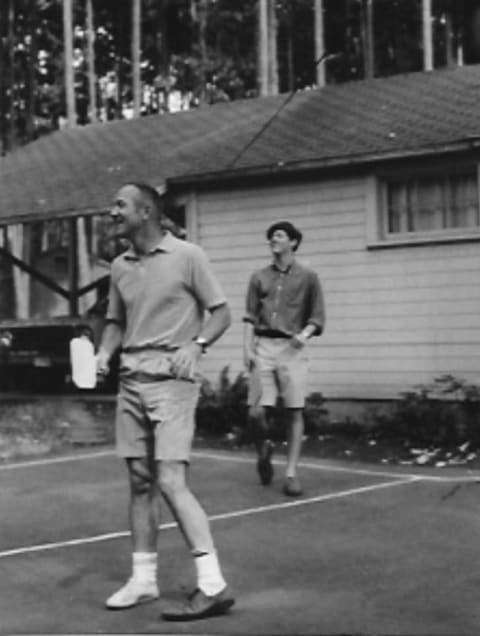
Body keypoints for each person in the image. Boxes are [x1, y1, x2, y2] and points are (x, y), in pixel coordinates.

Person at [96, 182, 234, 621]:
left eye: (120, 204)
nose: (112, 211)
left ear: (148, 210)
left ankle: (213, 584)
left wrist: (196, 345)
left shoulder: (188, 256)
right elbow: (116, 321)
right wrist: (103, 353)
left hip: (172, 383)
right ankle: (143, 580)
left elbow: (221, 313)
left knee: (171, 480)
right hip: (131, 381)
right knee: (139, 481)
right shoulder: (120, 266)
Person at [243, 221, 325, 497]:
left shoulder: (308, 277)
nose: (273, 240)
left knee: (294, 411)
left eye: (278, 236)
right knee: (255, 411)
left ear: (293, 242)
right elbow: (249, 317)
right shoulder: (258, 277)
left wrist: (305, 333)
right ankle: (263, 450)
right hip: (263, 345)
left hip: (292, 348)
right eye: (271, 237)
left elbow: (317, 316)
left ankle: (291, 474)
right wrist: (247, 348)